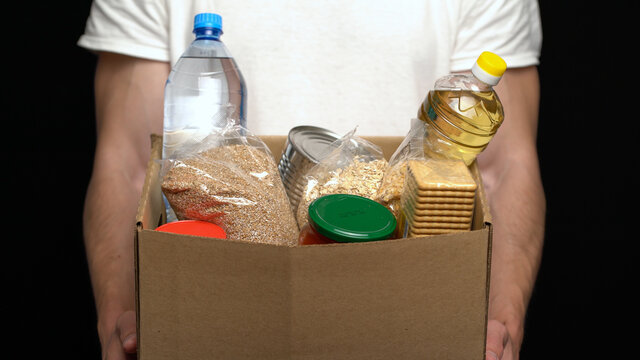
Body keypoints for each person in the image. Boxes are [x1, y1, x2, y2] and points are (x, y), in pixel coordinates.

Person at [78, 1, 545, 359]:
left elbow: (504, 169)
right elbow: (131, 161)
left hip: (403, 298)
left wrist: (500, 321)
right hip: (217, 295)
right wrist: (123, 319)